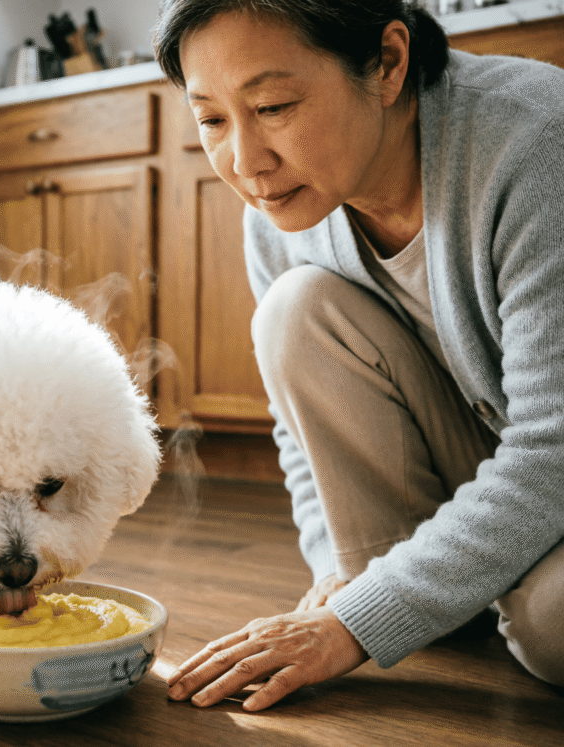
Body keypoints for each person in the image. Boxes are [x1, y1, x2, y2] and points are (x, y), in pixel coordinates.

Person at [152, 0, 564, 711]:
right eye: (212, 120)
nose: (247, 164)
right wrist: (341, 586)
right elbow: (299, 433)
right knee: (293, 309)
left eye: (274, 105)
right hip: (499, 464)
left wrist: (348, 627)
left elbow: (553, 449)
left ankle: (465, 588)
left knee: (555, 624)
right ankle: (445, 590)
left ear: (389, 63)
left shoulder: (535, 144)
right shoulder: (279, 211)